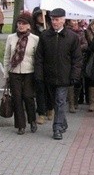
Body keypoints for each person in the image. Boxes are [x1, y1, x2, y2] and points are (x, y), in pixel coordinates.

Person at [34, 8, 82, 140]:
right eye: (52, 19)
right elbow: (39, 57)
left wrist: (74, 75)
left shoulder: (72, 37)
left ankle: (57, 128)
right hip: (48, 76)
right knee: (55, 102)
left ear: (63, 20)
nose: (54, 22)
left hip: (64, 76)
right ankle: (63, 123)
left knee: (60, 101)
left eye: (57, 19)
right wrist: (39, 74)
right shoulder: (45, 36)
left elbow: (77, 59)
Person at [3, 12, 39, 135]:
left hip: (29, 72)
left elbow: (37, 58)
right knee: (17, 98)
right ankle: (20, 125)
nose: (21, 26)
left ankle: (32, 120)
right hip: (14, 72)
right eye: (19, 23)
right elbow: (7, 56)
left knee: (28, 97)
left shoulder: (35, 39)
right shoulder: (11, 38)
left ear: (29, 26)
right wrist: (6, 73)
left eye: (24, 23)